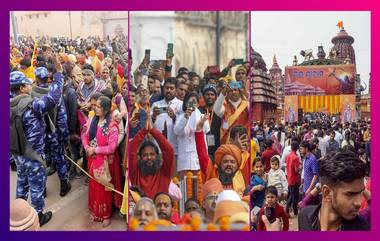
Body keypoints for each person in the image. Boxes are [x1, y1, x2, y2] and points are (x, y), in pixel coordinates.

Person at [10, 62, 63, 226]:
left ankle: (18, 213)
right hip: (33, 154)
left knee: (22, 182)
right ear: (21, 88)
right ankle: (38, 216)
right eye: (27, 83)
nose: (29, 85)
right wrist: (59, 76)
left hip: (18, 154)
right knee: (37, 186)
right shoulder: (30, 105)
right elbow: (53, 99)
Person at [298, 151, 370, 230]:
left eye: (361, 192)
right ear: (327, 193)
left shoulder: (363, 230)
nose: (359, 203)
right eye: (351, 194)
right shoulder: (305, 217)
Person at [81, 96, 123, 226]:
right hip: (93, 160)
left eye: (98, 106)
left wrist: (95, 150)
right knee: (94, 186)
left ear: (105, 110)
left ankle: (106, 214)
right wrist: (87, 147)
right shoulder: (92, 120)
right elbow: (84, 135)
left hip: (106, 163)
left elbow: (111, 148)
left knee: (105, 188)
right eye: (95, 106)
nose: (95, 108)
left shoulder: (112, 126)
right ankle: (95, 211)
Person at [32, 67, 71, 196]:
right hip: (54, 135)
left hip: (39, 136)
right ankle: (64, 186)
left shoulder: (31, 95)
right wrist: (65, 137)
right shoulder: (54, 95)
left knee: (42, 162)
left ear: (36, 79)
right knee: (60, 159)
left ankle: (42, 190)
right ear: (48, 79)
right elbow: (62, 119)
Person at [195, 114, 247, 196]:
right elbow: (202, 155)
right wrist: (199, 130)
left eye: (232, 162)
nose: (229, 164)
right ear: (219, 163)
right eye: (225, 162)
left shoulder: (242, 173)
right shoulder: (212, 174)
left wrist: (239, 149)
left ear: (237, 165)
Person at [129, 116, 175, 199]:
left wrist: (152, 130)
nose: (149, 157)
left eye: (152, 154)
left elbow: (169, 151)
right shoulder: (135, 172)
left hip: (158, 210)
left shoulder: (165, 172)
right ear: (140, 157)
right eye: (145, 155)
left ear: (157, 156)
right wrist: (144, 131)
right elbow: (131, 150)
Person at [174, 92, 210, 179]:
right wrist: (186, 117)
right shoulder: (180, 117)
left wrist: (202, 122)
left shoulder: (202, 116)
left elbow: (207, 129)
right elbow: (177, 131)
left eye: (194, 102)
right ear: (186, 104)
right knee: (185, 187)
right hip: (184, 160)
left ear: (198, 104)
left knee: (199, 186)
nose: (192, 104)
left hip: (198, 158)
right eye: (189, 102)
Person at [151, 77, 183, 152]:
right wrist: (154, 116)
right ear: (163, 89)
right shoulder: (156, 105)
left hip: (175, 148)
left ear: (176, 90)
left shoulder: (181, 105)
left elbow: (183, 126)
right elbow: (148, 125)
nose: (169, 90)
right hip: (157, 148)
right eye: (167, 88)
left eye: (171, 88)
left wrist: (174, 117)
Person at [213, 77, 249, 144]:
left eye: (235, 90)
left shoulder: (246, 105)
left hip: (243, 141)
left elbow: (253, 110)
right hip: (227, 142)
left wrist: (246, 93)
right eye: (230, 90)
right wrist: (223, 93)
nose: (233, 92)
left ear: (239, 92)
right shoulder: (225, 105)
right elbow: (216, 110)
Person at [198, 84, 222, 161]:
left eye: (212, 94)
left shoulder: (220, 112)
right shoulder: (199, 111)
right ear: (204, 96)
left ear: (215, 97)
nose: (210, 96)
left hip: (217, 149)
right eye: (207, 94)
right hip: (203, 148)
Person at [285, 141, 301, 216]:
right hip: (294, 179)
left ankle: (289, 210)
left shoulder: (288, 156)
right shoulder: (296, 157)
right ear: (297, 148)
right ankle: (291, 210)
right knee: (294, 196)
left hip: (289, 177)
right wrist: (300, 167)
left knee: (290, 194)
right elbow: (296, 170)